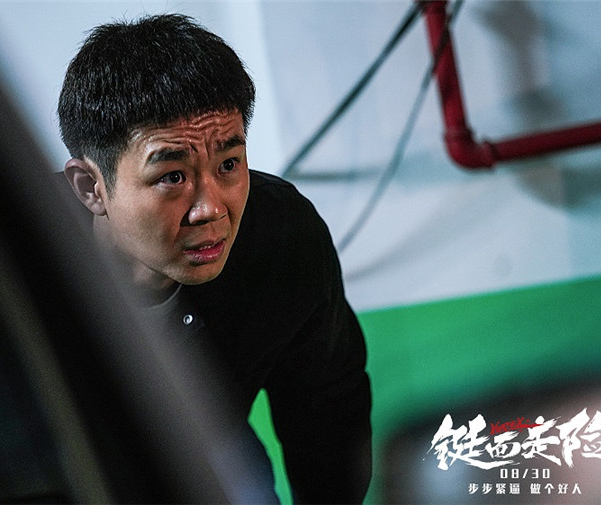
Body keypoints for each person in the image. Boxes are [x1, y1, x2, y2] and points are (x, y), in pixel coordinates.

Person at [58, 13, 372, 503]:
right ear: (90, 188)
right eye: (172, 177)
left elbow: (328, 407)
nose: (211, 209)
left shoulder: (281, 238)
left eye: (228, 164)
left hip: (208, 440)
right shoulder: (14, 257)